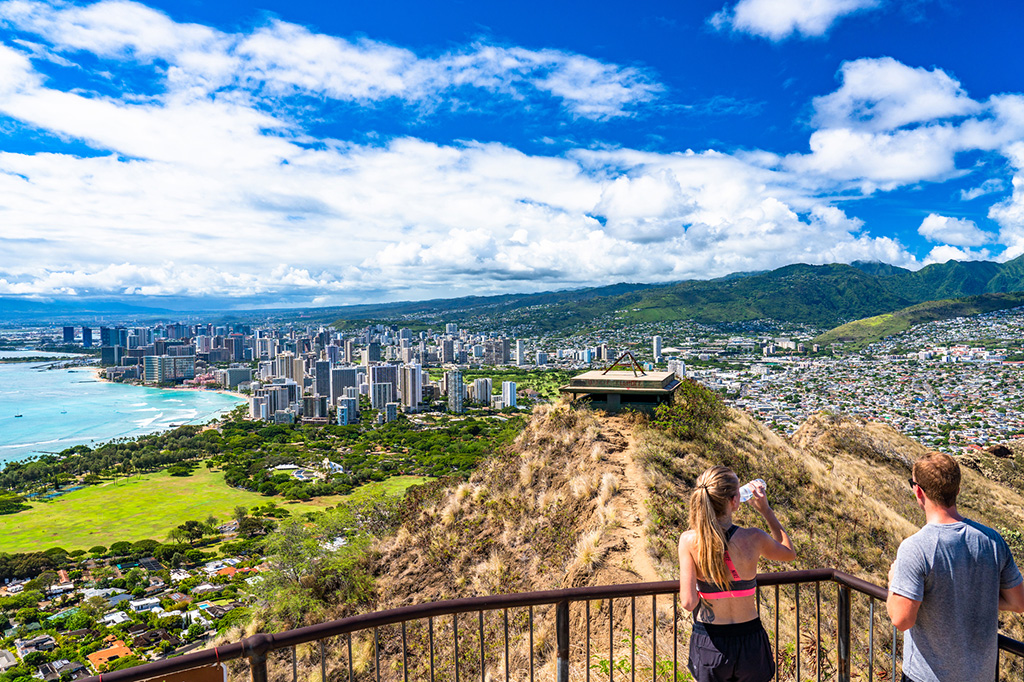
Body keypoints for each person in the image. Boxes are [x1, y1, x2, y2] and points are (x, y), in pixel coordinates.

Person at [887, 451, 1024, 682]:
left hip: (928, 677)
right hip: (982, 675)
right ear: (957, 491)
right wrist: (972, 597)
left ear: (918, 491)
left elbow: (901, 620)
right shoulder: (992, 540)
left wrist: (893, 582)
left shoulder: (916, 548)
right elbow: (1018, 603)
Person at [679, 465, 796, 682]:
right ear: (734, 501)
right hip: (749, 639)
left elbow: (687, 602)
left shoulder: (688, 541)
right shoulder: (754, 538)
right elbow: (789, 552)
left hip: (710, 640)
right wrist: (766, 511)